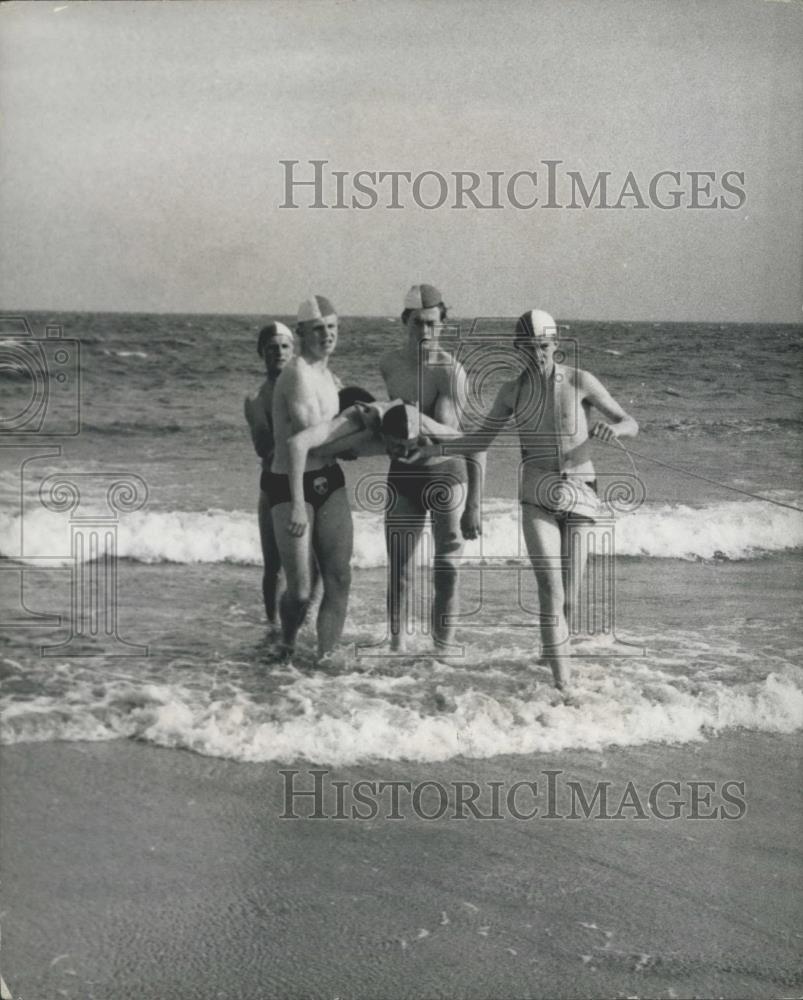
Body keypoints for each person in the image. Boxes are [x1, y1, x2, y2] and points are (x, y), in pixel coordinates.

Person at [404, 309, 638, 691]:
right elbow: (479, 441)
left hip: (581, 491)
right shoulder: (511, 391)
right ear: (518, 349)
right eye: (528, 348)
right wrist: (431, 451)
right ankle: (565, 689)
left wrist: (615, 430)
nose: (537, 354)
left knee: (570, 600)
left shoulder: (580, 381)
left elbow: (631, 421)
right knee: (552, 592)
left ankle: (550, 656)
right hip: (535, 493)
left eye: (543, 346)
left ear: (555, 344)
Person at [378, 284, 486, 655]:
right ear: (405, 322)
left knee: (447, 571)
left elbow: (473, 439)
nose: (425, 332)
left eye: (432, 324)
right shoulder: (389, 364)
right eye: (418, 324)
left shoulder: (451, 373)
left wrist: (475, 504)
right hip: (403, 476)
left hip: (446, 474)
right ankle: (396, 649)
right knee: (400, 572)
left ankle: (443, 652)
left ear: (442, 324)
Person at [268, 296, 352, 663]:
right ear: (301, 332)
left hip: (329, 480)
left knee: (339, 578)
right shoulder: (298, 373)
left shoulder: (330, 376)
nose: (326, 335)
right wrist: (358, 430)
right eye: (318, 329)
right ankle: (286, 641)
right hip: (291, 486)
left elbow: (333, 446)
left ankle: (326, 655)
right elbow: (307, 437)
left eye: (331, 327)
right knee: (300, 591)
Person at [243, 321, 295, 631]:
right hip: (274, 485)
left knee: (312, 565)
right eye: (272, 347)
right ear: (261, 352)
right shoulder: (255, 399)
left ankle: (301, 624)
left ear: (294, 350)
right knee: (274, 567)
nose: (279, 352)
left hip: (312, 480)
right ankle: (273, 628)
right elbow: (264, 448)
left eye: (285, 346)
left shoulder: (312, 384)